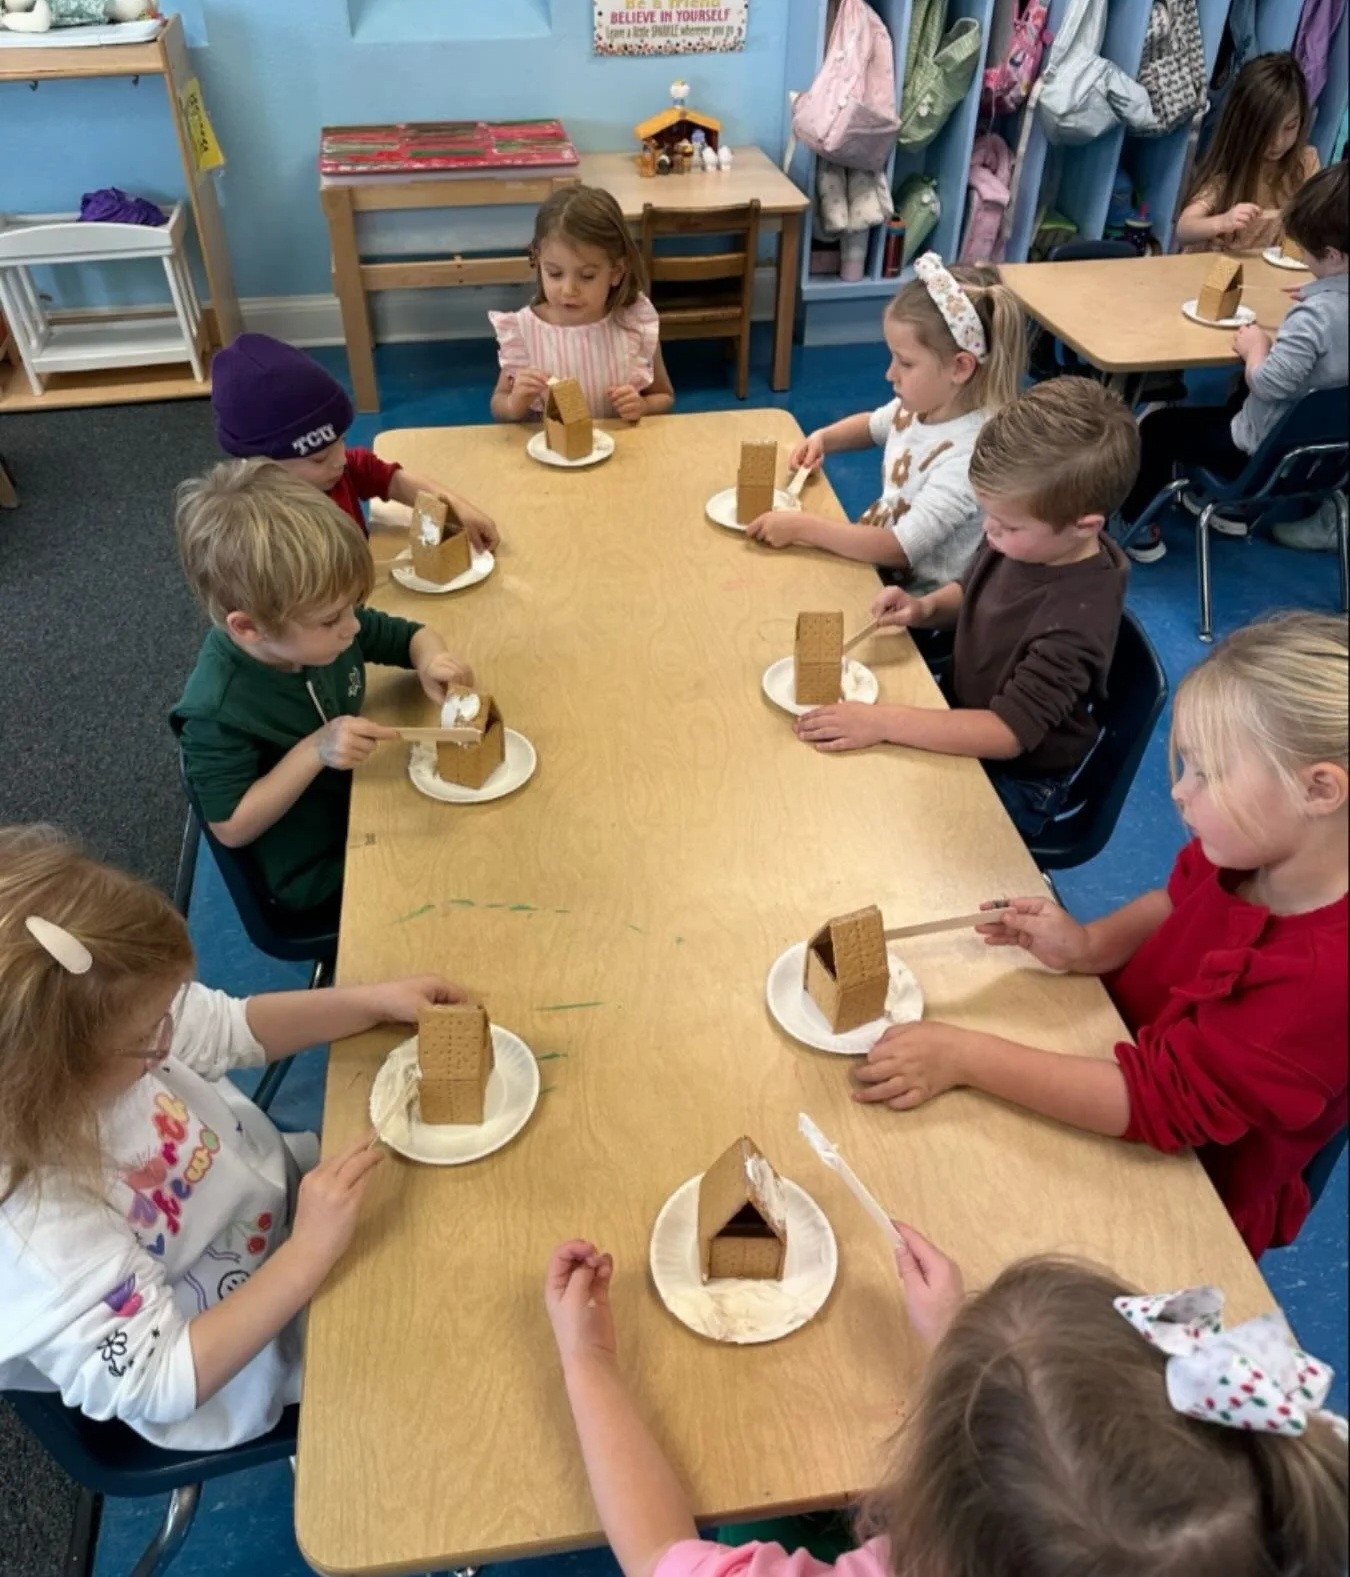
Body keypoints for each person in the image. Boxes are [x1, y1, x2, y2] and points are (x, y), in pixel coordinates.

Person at [852, 613, 1348, 1260]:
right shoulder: (1255, 847)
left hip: (1180, 1186)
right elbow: (1174, 901)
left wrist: (966, 1058)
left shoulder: (1325, 978)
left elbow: (1161, 1102)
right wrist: (1087, 945)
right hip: (1109, 1048)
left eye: (1208, 773)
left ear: (1319, 789)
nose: (1180, 793)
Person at [0, 823, 468, 1449]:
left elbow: (228, 1028)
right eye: (147, 1038)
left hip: (294, 1211)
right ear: (48, 1082)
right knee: (456, 1344)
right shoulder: (32, 1227)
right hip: (251, 1358)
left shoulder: (110, 1012)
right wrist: (307, 1255)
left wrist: (372, 1003)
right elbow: (157, 1378)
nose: (167, 1039)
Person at [544, 1230, 1348, 1577]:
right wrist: (963, 1349)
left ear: (926, 1513)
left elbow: (660, 1554)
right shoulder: (1268, 1529)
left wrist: (589, 1361)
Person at [795, 378, 1138, 843]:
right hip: (962, 709)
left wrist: (881, 722)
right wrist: (925, 608)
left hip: (1017, 775)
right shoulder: (1029, 540)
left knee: (893, 836)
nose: (989, 531)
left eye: (1006, 524)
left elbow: (1005, 733)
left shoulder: (1076, 623)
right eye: (987, 513)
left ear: (1085, 526)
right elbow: (974, 588)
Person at [171, 460, 472, 917]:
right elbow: (230, 826)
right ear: (249, 627)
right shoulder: (216, 712)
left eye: (353, 607)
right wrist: (316, 749)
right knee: (462, 870)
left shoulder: (319, 628)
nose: (353, 627)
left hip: (368, 800)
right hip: (320, 868)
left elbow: (411, 636)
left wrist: (430, 659)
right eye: (333, 619)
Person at [743, 259, 1026, 597]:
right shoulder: (924, 404)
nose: (890, 374)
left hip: (912, 605)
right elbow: (873, 425)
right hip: (875, 566)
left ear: (960, 368)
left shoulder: (969, 457)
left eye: (905, 362)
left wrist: (803, 527)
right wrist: (824, 439)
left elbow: (899, 548)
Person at [1123, 160, 1349, 562]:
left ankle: (1139, 525)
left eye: (1309, 254)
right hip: (1326, 458)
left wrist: (1255, 347)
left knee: (1159, 428)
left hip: (1264, 455)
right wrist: (1327, 289)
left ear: (1333, 255)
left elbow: (1269, 383)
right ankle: (1229, 510)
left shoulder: (1313, 318)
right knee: (1238, 393)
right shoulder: (1327, 304)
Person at [210, 332, 499, 550]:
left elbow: (394, 480)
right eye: (319, 458)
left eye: (342, 441)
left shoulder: (337, 473)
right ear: (262, 467)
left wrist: (457, 509)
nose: (341, 459)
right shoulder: (259, 539)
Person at [489, 184, 674, 423]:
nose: (568, 290)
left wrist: (643, 405)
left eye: (587, 276)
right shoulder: (524, 331)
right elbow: (499, 403)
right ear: (538, 261)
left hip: (618, 444)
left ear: (616, 271)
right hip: (551, 446)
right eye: (555, 273)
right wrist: (514, 403)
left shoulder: (633, 323)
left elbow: (664, 395)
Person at [1174, 53, 1319, 254]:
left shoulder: (1306, 162)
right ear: (1243, 125)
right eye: (1266, 130)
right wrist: (1222, 222)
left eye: (1289, 127)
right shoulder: (1230, 172)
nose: (1277, 142)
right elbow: (1184, 229)